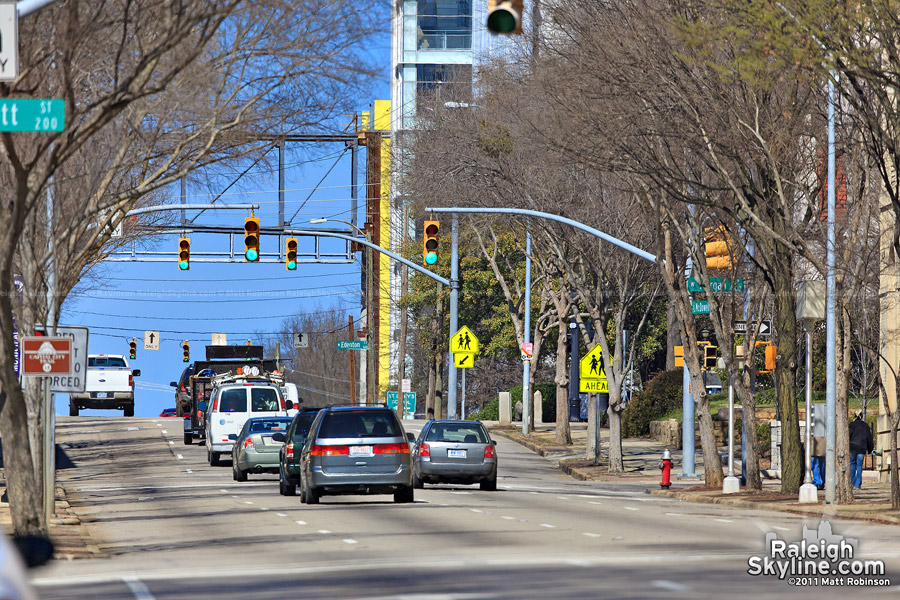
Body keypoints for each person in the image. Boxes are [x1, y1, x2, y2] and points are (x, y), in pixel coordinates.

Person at [849, 410, 874, 489]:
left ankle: (852, 483)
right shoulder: (865, 425)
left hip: (852, 447)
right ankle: (857, 484)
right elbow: (869, 438)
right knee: (859, 465)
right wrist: (870, 449)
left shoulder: (851, 425)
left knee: (852, 464)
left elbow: (848, 436)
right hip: (862, 448)